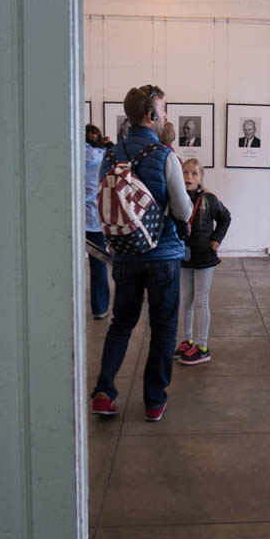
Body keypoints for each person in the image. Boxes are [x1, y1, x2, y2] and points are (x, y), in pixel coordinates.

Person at [90, 85, 193, 422]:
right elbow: (182, 208)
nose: (164, 115)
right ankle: (153, 400)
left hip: (125, 254)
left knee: (121, 324)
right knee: (164, 328)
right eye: (162, 110)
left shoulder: (110, 153)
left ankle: (104, 392)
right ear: (151, 116)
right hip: (163, 255)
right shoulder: (165, 155)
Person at [175, 158, 231, 365]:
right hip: (184, 256)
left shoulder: (209, 199)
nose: (188, 177)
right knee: (186, 301)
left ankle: (202, 346)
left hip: (204, 257)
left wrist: (216, 239)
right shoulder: (176, 198)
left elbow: (225, 217)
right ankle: (186, 341)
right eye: (185, 173)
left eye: (194, 173)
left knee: (201, 300)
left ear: (200, 178)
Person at [85, 123, 111, 319]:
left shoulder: (76, 156)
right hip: (95, 221)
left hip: (75, 221)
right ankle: (100, 308)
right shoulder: (104, 157)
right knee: (98, 265)